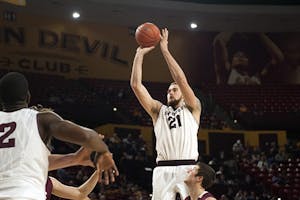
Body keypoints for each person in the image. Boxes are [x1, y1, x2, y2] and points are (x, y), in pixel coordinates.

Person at [0, 72, 118, 200]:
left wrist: (75, 158)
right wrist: (103, 151)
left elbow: (30, 160)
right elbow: (88, 136)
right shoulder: (39, 119)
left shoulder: (26, 160)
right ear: (28, 97)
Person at [130, 28, 201, 200]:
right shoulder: (158, 111)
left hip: (188, 169)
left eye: (174, 89)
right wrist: (139, 55)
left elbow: (181, 79)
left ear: (183, 95)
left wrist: (165, 50)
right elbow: (136, 86)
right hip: (163, 169)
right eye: (168, 90)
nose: (170, 91)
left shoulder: (193, 107)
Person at [213, 32, 284, 85]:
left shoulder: (259, 76)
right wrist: (234, 27)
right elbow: (218, 41)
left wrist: (258, 33)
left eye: (244, 56)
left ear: (249, 62)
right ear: (231, 62)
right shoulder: (225, 74)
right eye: (237, 55)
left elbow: (279, 58)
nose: (240, 57)